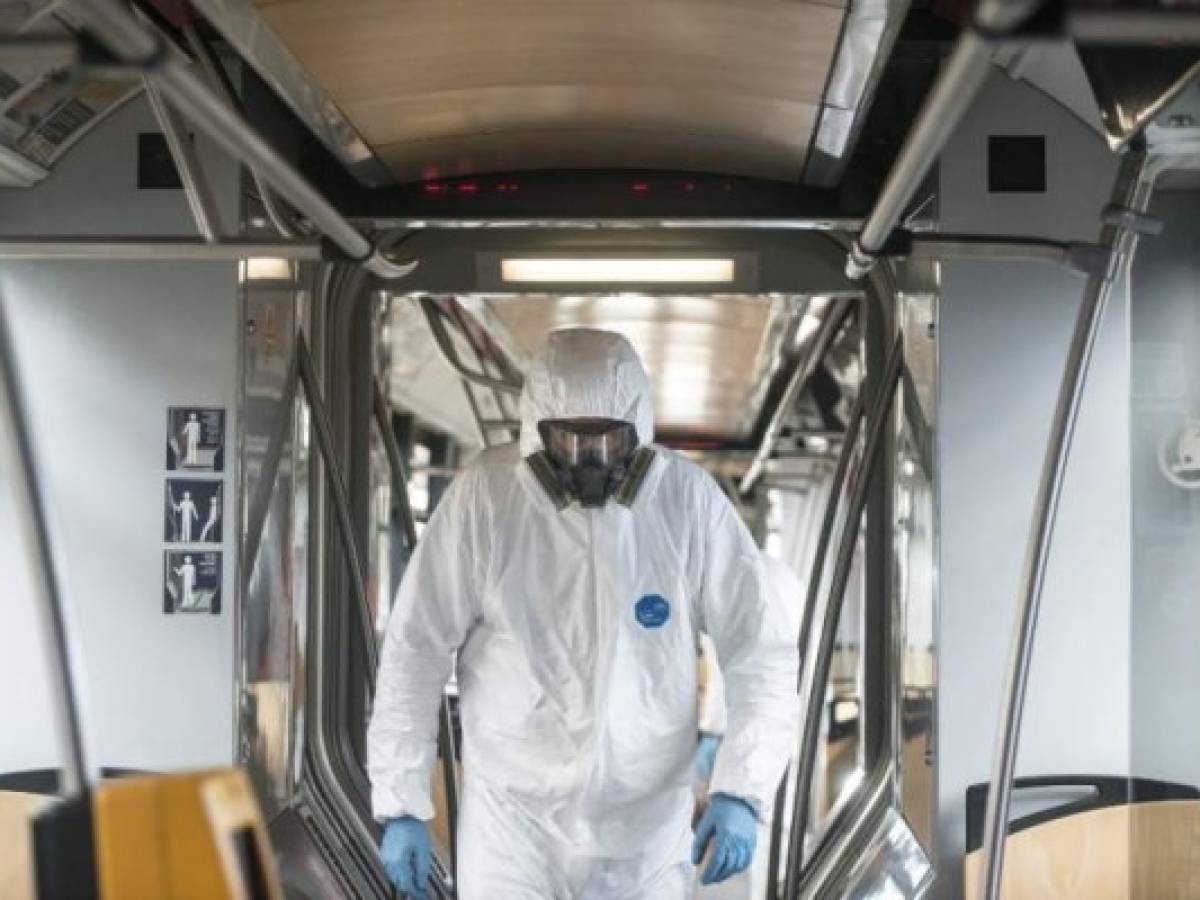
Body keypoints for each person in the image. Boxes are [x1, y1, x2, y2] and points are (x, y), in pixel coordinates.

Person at [368, 328, 798, 900]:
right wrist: (401, 803)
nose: (591, 460)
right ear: (535, 434)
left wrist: (743, 788)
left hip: (643, 835)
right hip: (513, 829)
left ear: (638, 432)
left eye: (608, 441)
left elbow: (760, 652)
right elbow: (414, 651)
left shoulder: (686, 503)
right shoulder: (484, 503)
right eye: (571, 440)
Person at [694, 552, 805, 898]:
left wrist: (712, 731)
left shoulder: (743, 579)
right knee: (776, 835)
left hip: (767, 727)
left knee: (771, 834)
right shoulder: (774, 573)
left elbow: (755, 674)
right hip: (777, 723)